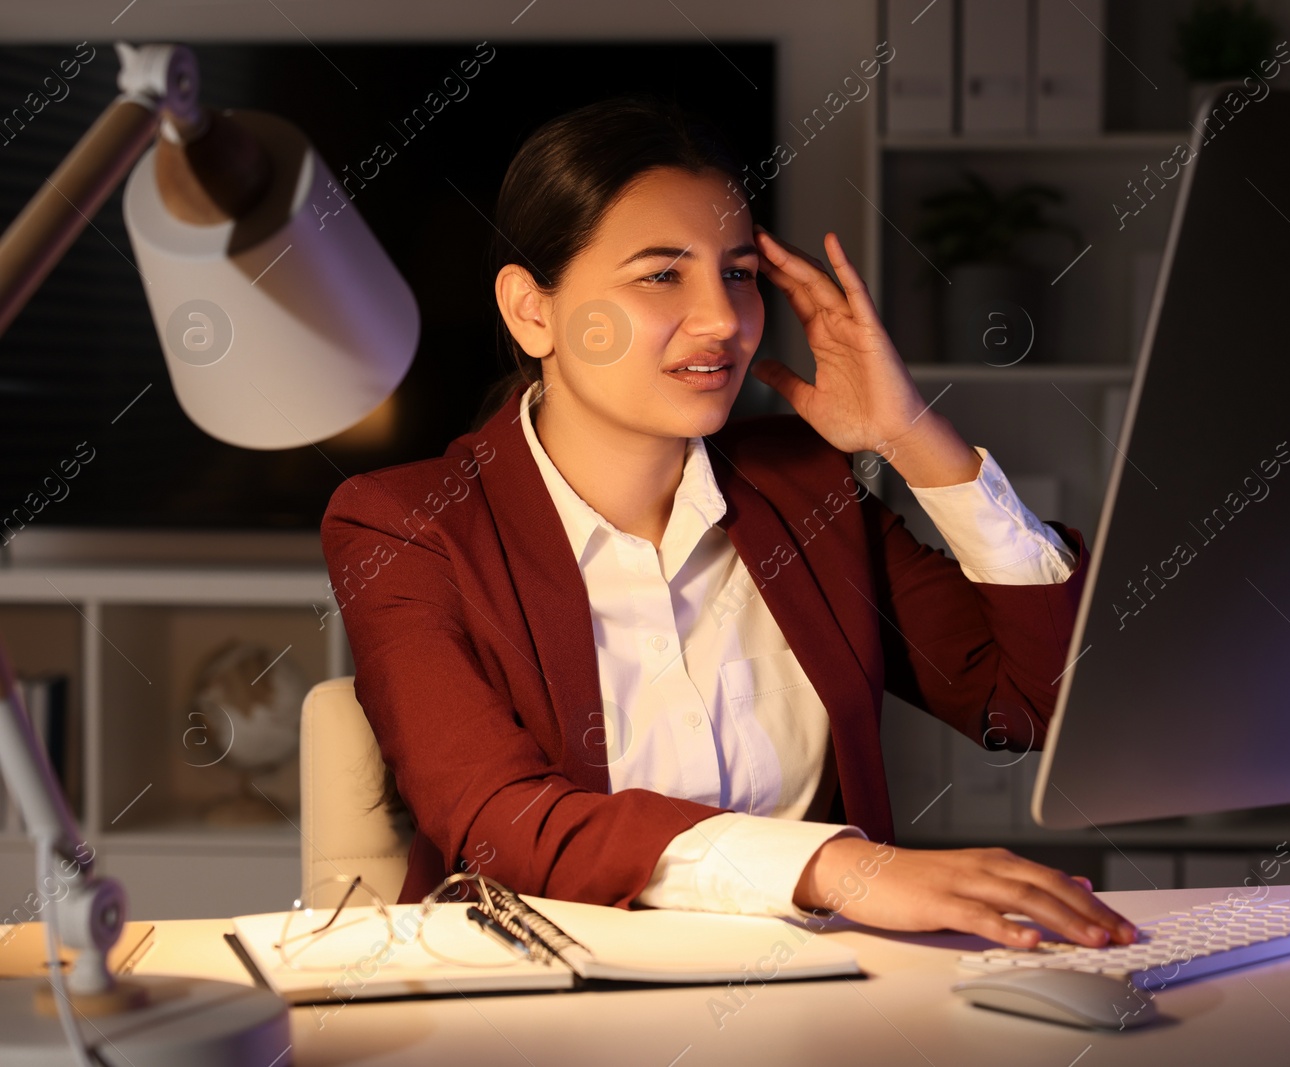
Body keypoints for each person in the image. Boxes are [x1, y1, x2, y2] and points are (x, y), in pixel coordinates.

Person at [321, 94, 1137, 951]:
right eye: (662, 274)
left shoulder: (802, 488)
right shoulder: (405, 526)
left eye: (739, 274)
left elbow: (1034, 705)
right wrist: (838, 869)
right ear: (532, 310)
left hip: (815, 1001)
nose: (723, 320)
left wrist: (911, 435)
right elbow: (502, 822)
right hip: (534, 1007)